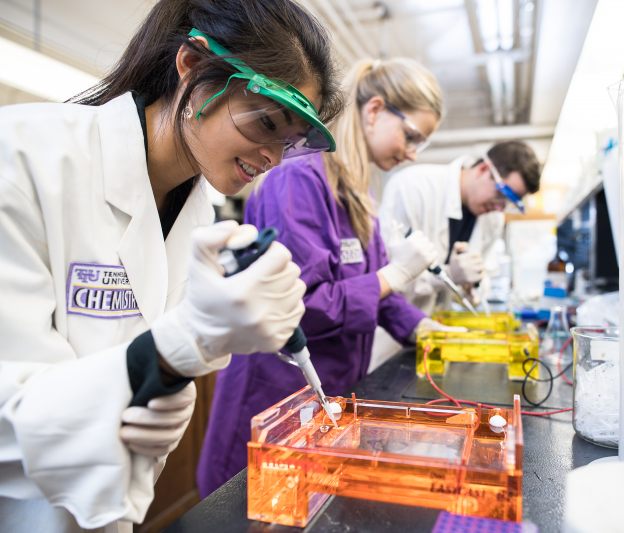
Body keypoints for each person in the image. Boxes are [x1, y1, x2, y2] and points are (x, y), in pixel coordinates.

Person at [0, 0, 344, 531]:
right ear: (192, 64)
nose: (273, 157)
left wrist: (163, 383)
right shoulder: (23, 155)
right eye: (266, 121)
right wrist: (168, 355)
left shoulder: (199, 212)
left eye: (288, 140)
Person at [197, 58, 463, 497]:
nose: (414, 152)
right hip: (275, 401)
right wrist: (395, 276)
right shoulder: (297, 181)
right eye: (412, 135)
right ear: (374, 110)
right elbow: (303, 306)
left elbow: (374, 290)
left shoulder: (358, 195)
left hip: (327, 400)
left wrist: (421, 327)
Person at [378, 141, 541, 315]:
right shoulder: (412, 187)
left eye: (510, 203)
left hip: (440, 326)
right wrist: (448, 275)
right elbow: (385, 275)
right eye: (502, 194)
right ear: (484, 170)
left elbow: (483, 273)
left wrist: (472, 288)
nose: (501, 208)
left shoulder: (494, 219)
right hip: (392, 327)